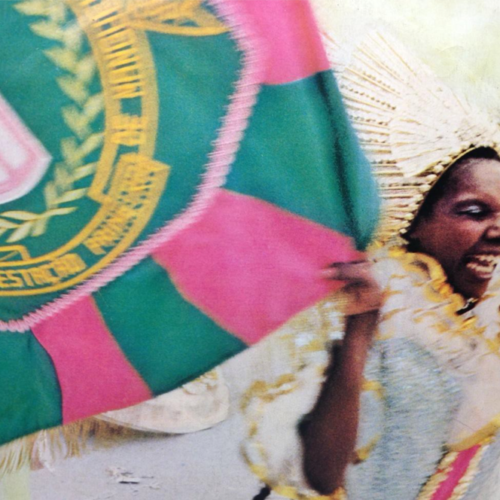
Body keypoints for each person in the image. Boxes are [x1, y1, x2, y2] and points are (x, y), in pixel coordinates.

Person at [243, 31, 500, 500]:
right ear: (414, 221)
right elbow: (319, 474)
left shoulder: (487, 315)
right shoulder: (377, 301)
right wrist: (360, 330)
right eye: (473, 212)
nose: (498, 230)